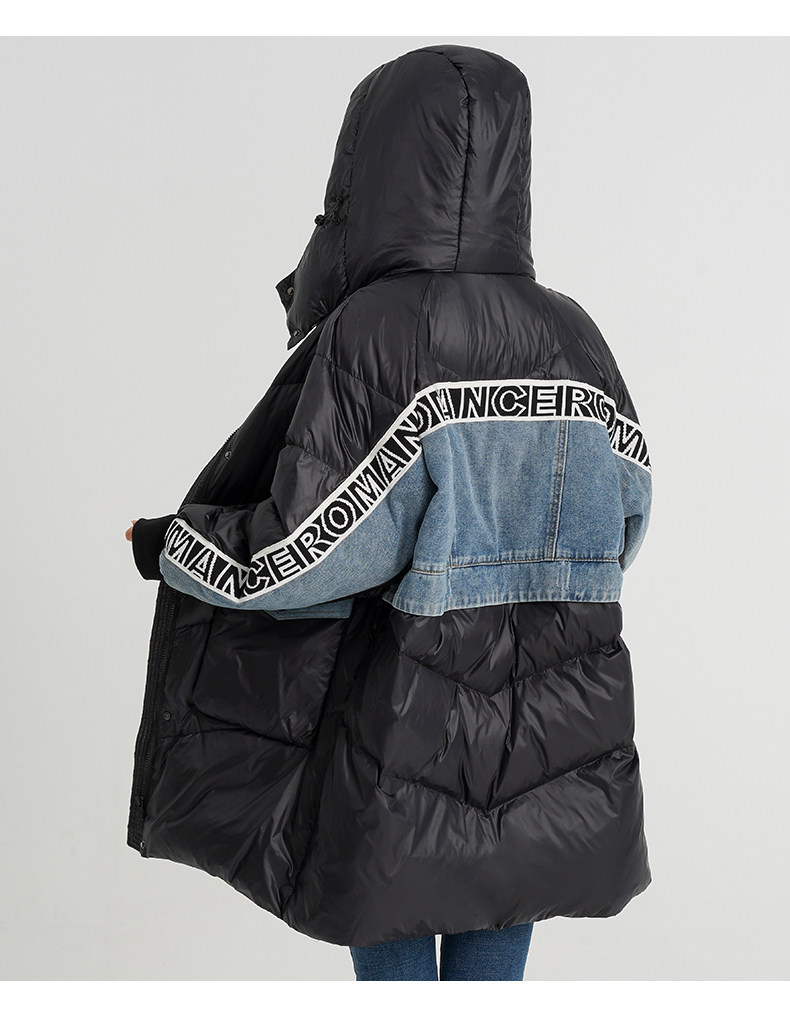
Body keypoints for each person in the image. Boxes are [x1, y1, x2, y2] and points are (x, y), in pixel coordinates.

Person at [126, 43, 652, 982]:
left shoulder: (381, 332)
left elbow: (307, 551)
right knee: (507, 892)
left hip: (410, 727)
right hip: (559, 723)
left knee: (395, 902)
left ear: (371, 168)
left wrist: (174, 546)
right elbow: (627, 519)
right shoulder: (576, 334)